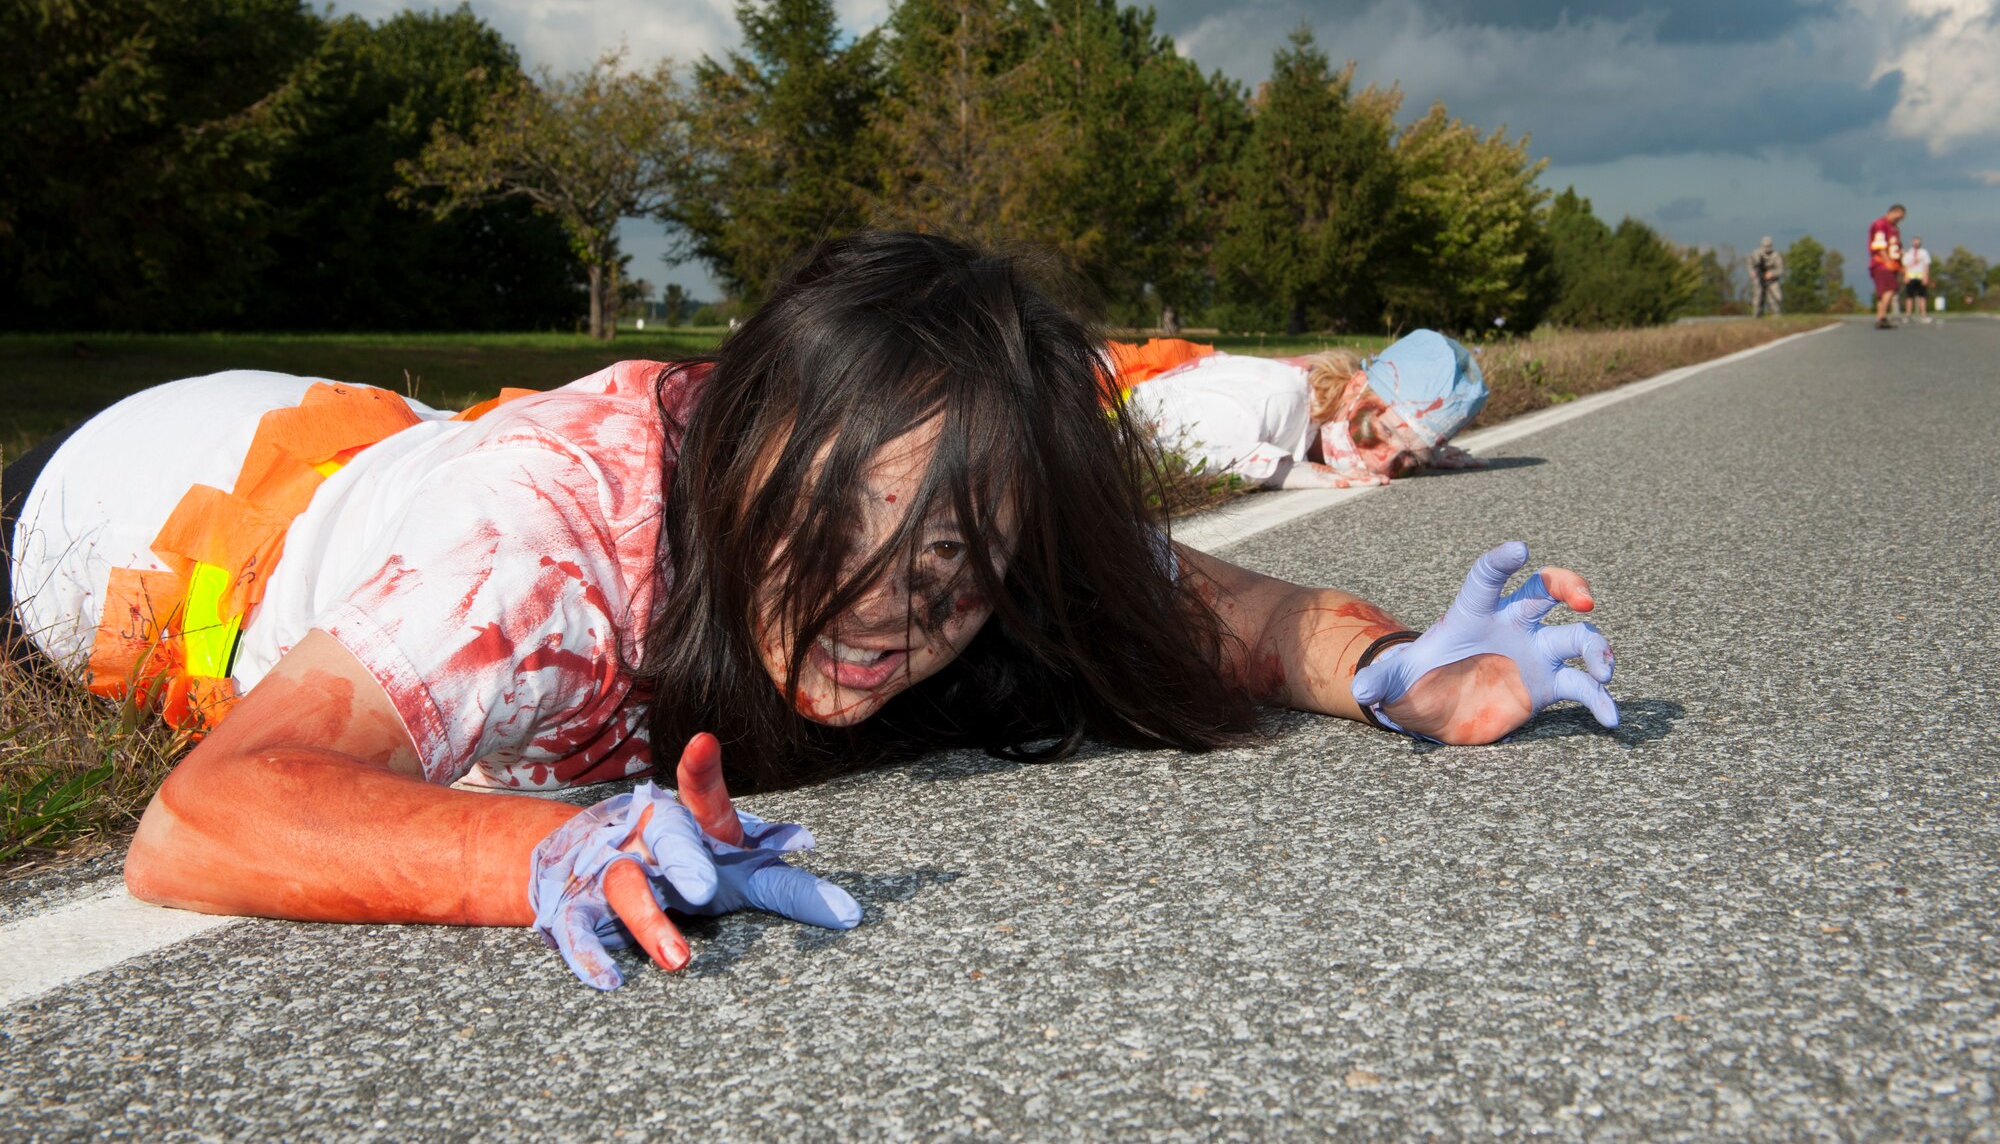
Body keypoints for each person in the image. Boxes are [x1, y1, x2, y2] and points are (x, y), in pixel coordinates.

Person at [2, 233, 1618, 992]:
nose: (877, 607)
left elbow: (1227, 612)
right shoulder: (542, 562)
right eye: (836, 524)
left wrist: (1408, 666)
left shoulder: (956, 508)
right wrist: (553, 844)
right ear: (748, 436)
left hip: (390, 450)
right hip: (151, 487)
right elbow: (201, 821)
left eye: (948, 561)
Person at [1115, 331, 1488, 490]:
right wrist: (1294, 473)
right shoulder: (1275, 398)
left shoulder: (1324, 410)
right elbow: (1187, 447)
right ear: (1357, 385)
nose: (1385, 459)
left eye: (1408, 458)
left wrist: (1426, 456)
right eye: (1385, 431)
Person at [1868, 204, 1906, 329]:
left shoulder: (1894, 228)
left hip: (1893, 263)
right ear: (1893, 212)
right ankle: (1881, 316)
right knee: (1890, 288)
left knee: (1883, 292)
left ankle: (1881, 317)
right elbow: (1880, 245)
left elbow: (1897, 248)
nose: (1898, 220)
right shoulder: (1880, 224)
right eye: (1898, 217)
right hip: (1882, 264)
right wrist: (1887, 261)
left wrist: (1901, 265)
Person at [1747, 238, 1784, 318]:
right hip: (1759, 277)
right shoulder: (1756, 253)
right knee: (1758, 296)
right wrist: (1752, 272)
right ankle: (1757, 315)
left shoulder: (1776, 256)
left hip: (1772, 279)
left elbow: (1781, 270)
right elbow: (1750, 264)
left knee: (1774, 297)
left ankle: (1776, 314)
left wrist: (1772, 274)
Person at [1901, 235, 1933, 324]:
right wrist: (1905, 276)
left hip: (1920, 276)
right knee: (1909, 297)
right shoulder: (1908, 252)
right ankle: (1908, 315)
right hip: (1910, 276)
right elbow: (1905, 265)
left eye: (1918, 241)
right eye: (1915, 241)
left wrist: (1926, 277)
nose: (1916, 243)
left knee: (1922, 296)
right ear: (1912, 242)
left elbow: (1926, 265)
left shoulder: (1924, 252)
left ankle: (1924, 315)